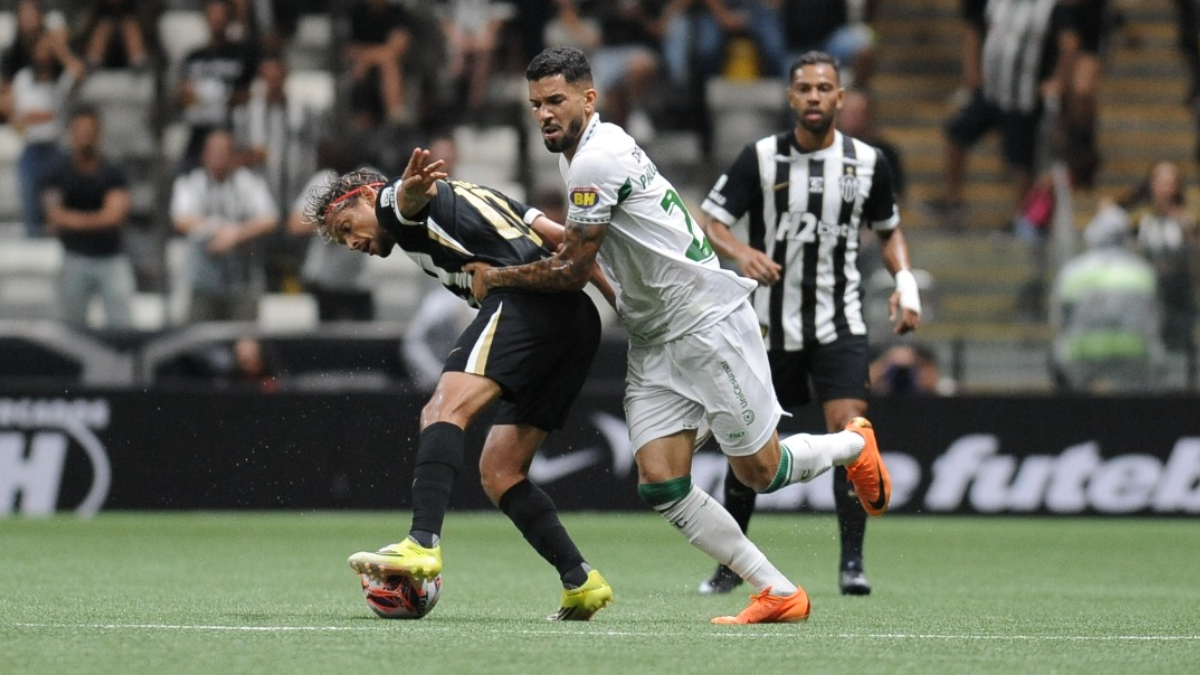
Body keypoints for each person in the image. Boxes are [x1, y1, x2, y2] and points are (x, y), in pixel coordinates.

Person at [464, 45, 892, 624]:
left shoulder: (595, 159)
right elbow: (598, 251)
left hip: (703, 324)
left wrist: (498, 277)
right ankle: (778, 591)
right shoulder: (580, 153)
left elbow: (571, 269)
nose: (543, 113)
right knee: (661, 483)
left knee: (759, 473)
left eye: (556, 100)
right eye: (535, 103)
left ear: (589, 98)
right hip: (656, 335)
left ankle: (852, 445)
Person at [309, 148, 616, 621]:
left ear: (366, 196)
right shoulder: (481, 194)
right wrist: (626, 306)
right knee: (501, 471)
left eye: (348, 227)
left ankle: (422, 543)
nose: (351, 243)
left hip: (526, 304)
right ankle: (581, 580)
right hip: (577, 321)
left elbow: (407, 199)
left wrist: (409, 188)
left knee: (441, 410)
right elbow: (565, 242)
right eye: (341, 239)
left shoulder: (391, 202)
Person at [692, 51, 920, 597]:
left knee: (851, 436)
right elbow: (712, 219)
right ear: (790, 97)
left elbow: (887, 229)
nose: (814, 97)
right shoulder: (761, 158)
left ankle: (852, 565)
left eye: (824, 88)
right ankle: (730, 565)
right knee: (749, 447)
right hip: (767, 330)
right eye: (804, 88)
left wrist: (904, 283)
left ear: (840, 98)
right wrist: (742, 252)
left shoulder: (868, 163)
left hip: (838, 324)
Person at [933, 0, 1069, 228]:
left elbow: (1068, 45)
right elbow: (976, 31)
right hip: (991, 92)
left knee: (1021, 160)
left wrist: (1058, 80)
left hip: (1024, 97)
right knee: (956, 133)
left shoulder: (1050, 7)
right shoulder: (995, 3)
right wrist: (973, 73)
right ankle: (953, 199)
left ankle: (1020, 216)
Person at [1050, 203, 1163, 393]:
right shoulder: (1143, 272)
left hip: (1082, 357)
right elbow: (1155, 321)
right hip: (1133, 356)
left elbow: (1059, 320)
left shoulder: (1072, 271)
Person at [41, 107, 136, 329]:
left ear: (99, 134)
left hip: (110, 258)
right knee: (71, 329)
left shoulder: (113, 173)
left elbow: (115, 217)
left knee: (122, 326)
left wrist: (73, 220)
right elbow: (54, 217)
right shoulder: (58, 173)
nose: (85, 138)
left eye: (90, 132)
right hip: (74, 257)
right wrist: (97, 219)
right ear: (71, 134)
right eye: (80, 131)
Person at [170, 129, 279, 322]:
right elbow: (181, 220)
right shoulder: (191, 182)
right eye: (214, 151)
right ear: (204, 155)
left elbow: (269, 219)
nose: (219, 157)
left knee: (246, 344)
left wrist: (236, 234)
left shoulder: (249, 182)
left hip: (243, 281)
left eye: (224, 152)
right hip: (203, 281)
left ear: (233, 156)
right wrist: (218, 228)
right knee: (199, 341)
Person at [10, 30, 85, 238]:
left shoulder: (62, 80)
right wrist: (27, 121)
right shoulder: (23, 79)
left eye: (47, 49)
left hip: (57, 149)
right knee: (30, 202)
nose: (43, 54)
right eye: (40, 48)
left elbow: (78, 70)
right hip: (32, 147)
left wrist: (59, 49)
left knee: (59, 205)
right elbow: (18, 116)